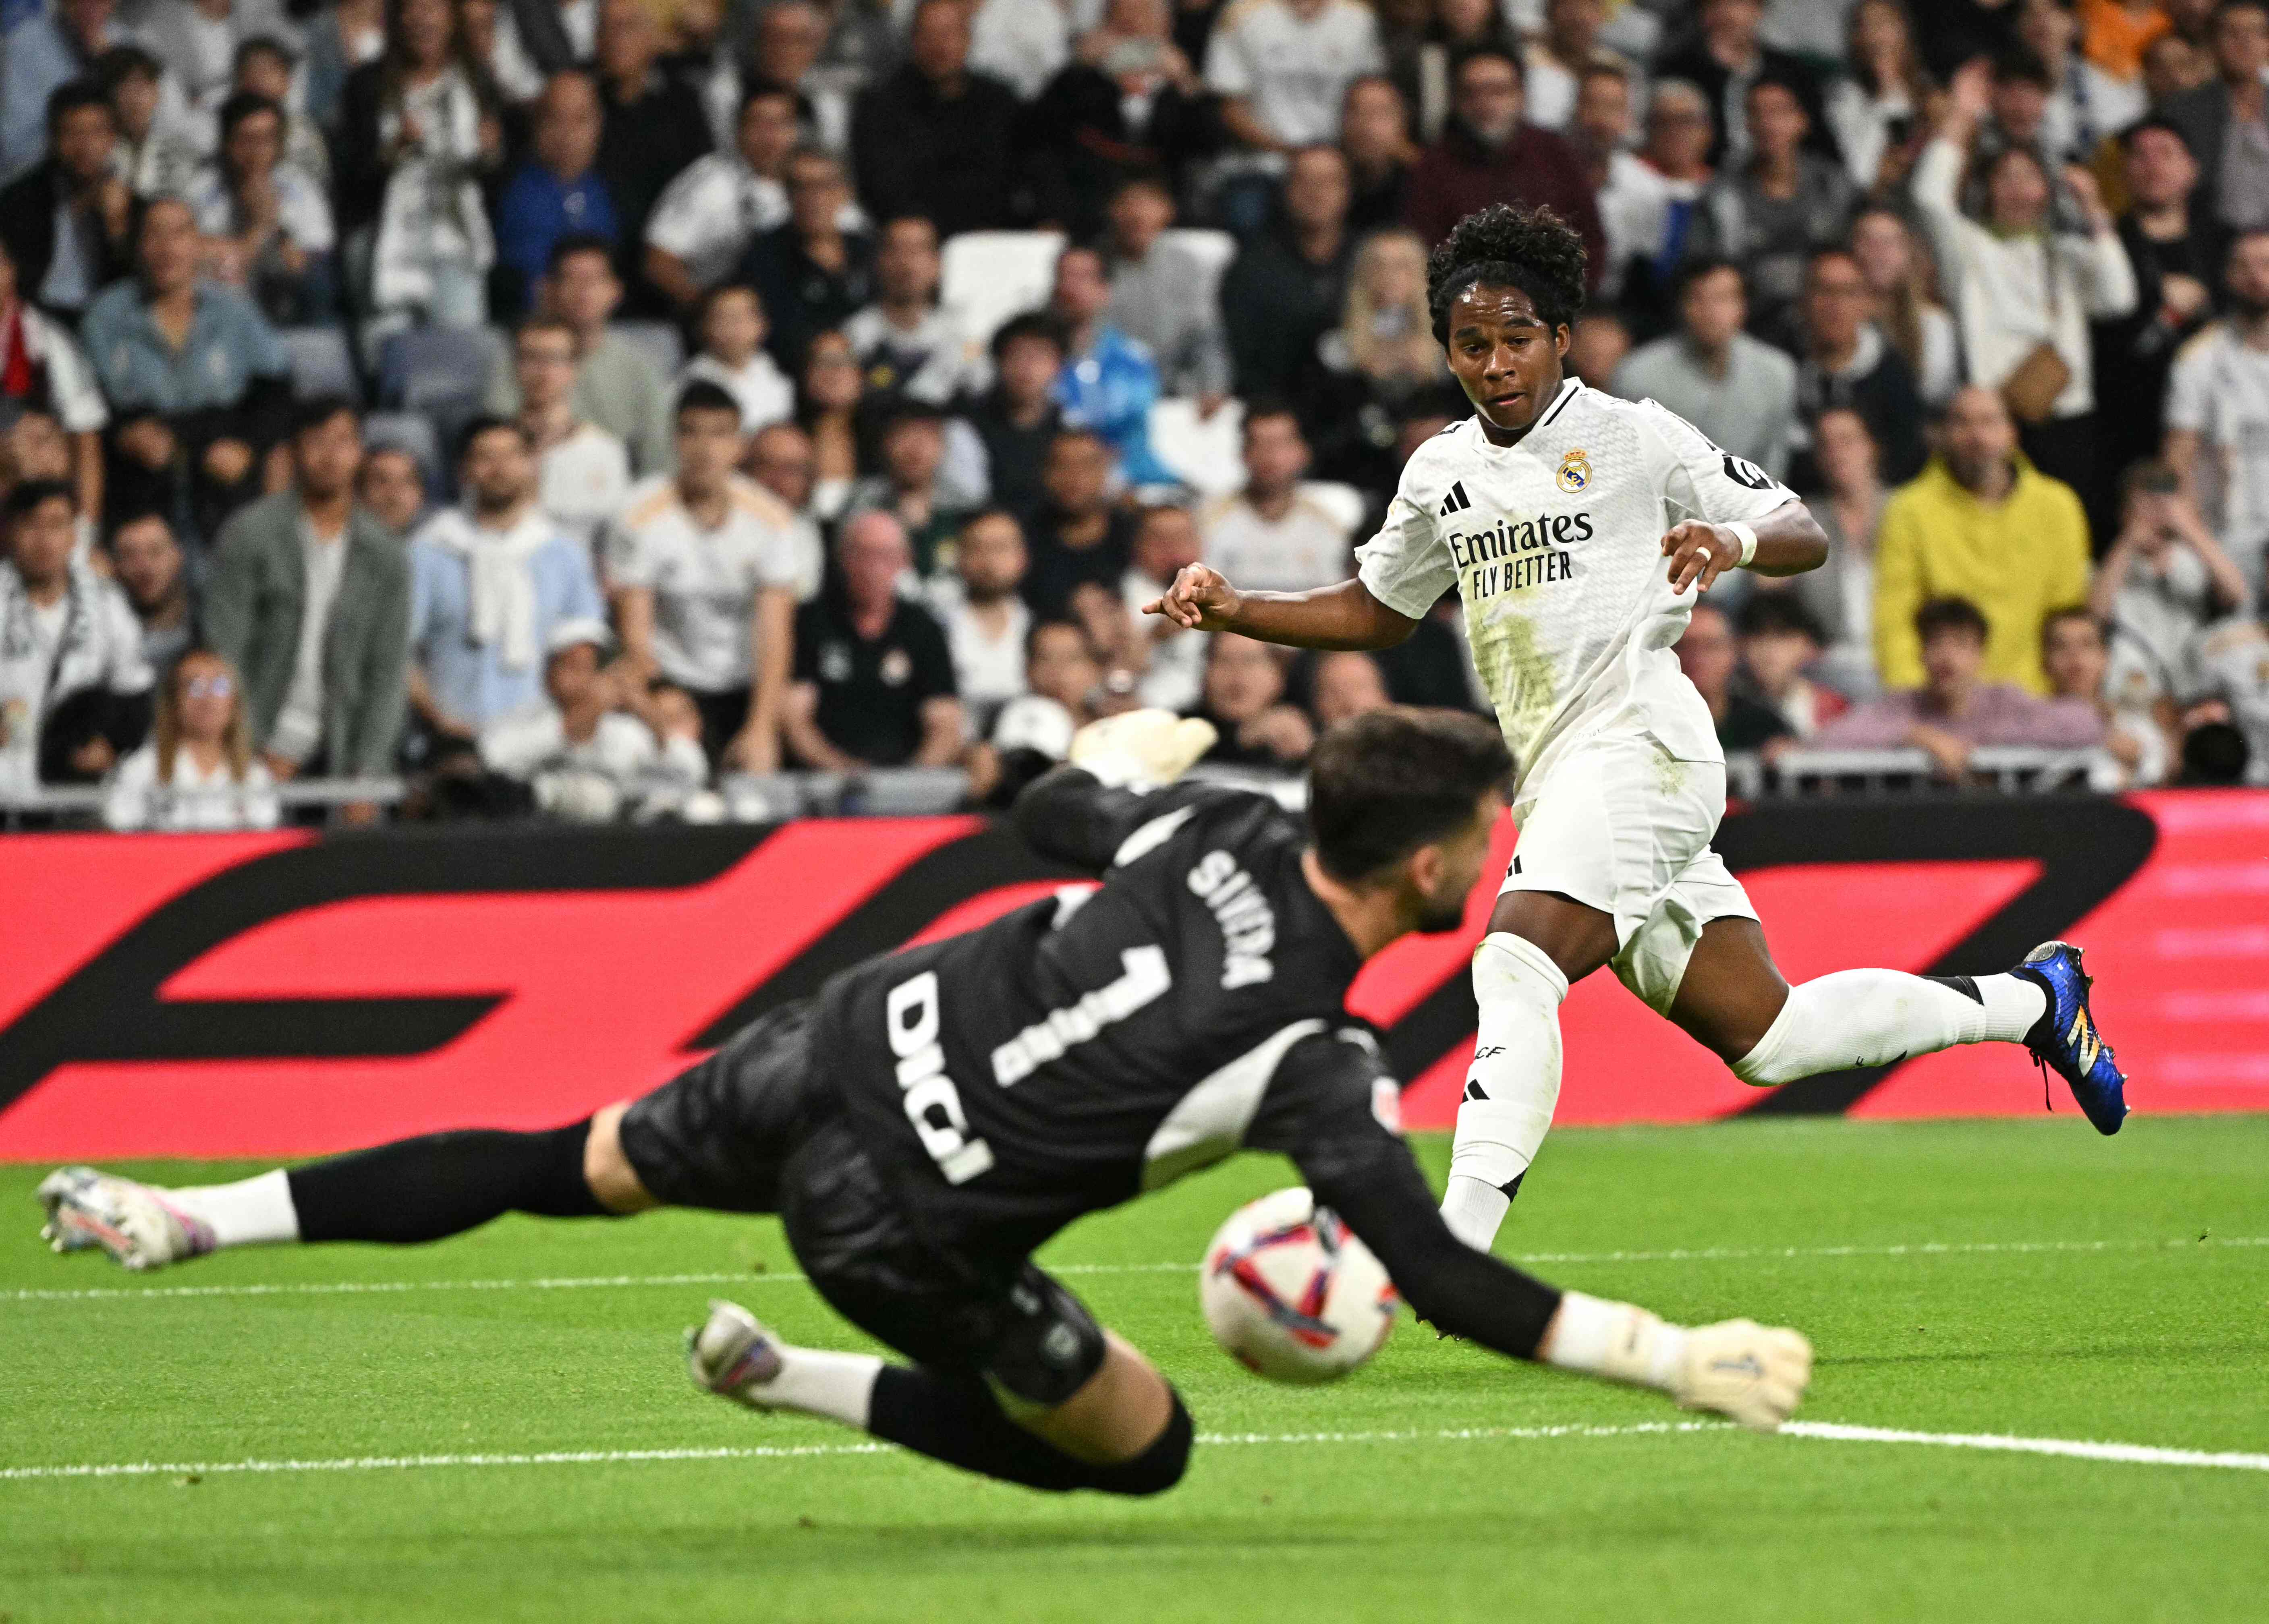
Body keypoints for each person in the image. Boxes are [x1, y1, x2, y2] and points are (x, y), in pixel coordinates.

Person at [36, 709, 1818, 1495]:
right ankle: (792, 1372)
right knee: (1143, 1448)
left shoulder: (1217, 828)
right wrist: (1674, 1353)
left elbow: (1048, 815)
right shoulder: (1318, 1063)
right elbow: (1443, 1276)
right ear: (1432, 872)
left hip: (835, 1037)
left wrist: (1125, 748)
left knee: (547, 1164)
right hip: (891, 1218)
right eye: (1480, 848)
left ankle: (202, 1211)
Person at [1147, 203, 2132, 1262]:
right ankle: (2033, 1000)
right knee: (1769, 1034)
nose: (1495, 363)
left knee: (1517, 961)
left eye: (1516, 338)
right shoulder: (1440, 472)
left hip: (1644, 744)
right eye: (1471, 345)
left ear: (1561, 337)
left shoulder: (1634, 432)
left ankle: (1446, 1251)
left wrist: (1732, 538)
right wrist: (1234, 604)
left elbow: (1801, 531)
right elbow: (1377, 610)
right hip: (1559, 771)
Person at [1911, 61, 2136, 522]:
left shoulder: (2067, 252)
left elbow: (2118, 300)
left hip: (2068, 417)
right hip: (1993, 420)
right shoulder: (1970, 250)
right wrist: (1961, 116)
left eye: (2028, 178)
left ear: (2046, 191)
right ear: (1987, 190)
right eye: (2004, 178)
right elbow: (1929, 197)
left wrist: (2094, 211)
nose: (2016, 189)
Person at [204, 399, 411, 786]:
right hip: (256, 738)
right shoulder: (250, 534)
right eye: (317, 441)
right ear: (292, 452)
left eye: (344, 442)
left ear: (360, 453)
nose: (331, 456)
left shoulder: (385, 554)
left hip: (342, 744)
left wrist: (369, 771)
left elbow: (388, 671)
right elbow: (223, 651)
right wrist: (249, 749)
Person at [606, 382, 802, 771]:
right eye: (691, 431)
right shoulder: (638, 516)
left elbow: (775, 634)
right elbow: (636, 638)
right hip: (672, 680)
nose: (705, 448)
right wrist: (659, 717)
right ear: (676, 439)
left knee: (759, 771)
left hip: (746, 685)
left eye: (719, 433)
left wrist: (761, 728)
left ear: (739, 445)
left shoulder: (772, 520)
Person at [81, 195, 292, 542]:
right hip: (142, 476)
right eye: (154, 235)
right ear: (137, 246)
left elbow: (277, 392)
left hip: (221, 468)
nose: (168, 248)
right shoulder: (105, 317)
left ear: (199, 245)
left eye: (180, 234)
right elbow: (87, 403)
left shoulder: (234, 311)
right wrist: (121, 433)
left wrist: (248, 445)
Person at [1875, 386, 2093, 694]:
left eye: (1989, 422)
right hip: (1943, 703)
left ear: (2012, 433)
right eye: (1962, 423)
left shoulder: (2058, 507)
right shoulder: (1908, 510)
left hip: (2036, 702)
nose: (1977, 437)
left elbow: (2068, 617)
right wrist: (1913, 703)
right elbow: (1896, 622)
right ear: (1943, 436)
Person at [409, 416, 605, 750]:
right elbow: (398, 653)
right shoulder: (428, 551)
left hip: (539, 742)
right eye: (485, 457)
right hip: (444, 738)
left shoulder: (563, 554)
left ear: (531, 465)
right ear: (464, 470)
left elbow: (580, 656)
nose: (500, 468)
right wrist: (441, 723)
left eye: (512, 456)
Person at [335, 0, 503, 343]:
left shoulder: (478, 82)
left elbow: (495, 178)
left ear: (453, 19)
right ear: (396, 20)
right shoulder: (366, 85)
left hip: (455, 245)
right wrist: (391, 153)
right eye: (412, 9)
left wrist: (490, 156)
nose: (423, 19)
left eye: (434, 9)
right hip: (381, 244)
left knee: (459, 358)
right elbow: (346, 177)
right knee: (389, 363)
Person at [1815, 595, 2106, 774]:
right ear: (1922, 655)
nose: (1948, 657)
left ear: (1980, 656)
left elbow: (2084, 724)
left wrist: (1980, 743)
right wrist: (1916, 735)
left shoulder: (2003, 701)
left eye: (1961, 645)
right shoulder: (1904, 706)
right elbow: (1828, 741)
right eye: (1937, 644)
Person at [1400, 47, 1606, 282]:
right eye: (1471, 93)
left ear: (1521, 97)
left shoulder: (1554, 153)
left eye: (1498, 92)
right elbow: (1423, 254)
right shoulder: (1434, 166)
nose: (1485, 103)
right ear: (1456, 101)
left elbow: (1590, 240)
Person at [0, 479, 153, 793]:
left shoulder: (106, 603)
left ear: (74, 535)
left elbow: (135, 695)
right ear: (9, 533)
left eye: (56, 525)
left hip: (76, 790)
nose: (44, 540)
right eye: (30, 525)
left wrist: (111, 744)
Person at [783, 511, 964, 771]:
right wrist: (845, 772)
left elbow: (945, 723)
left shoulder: (923, 628)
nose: (874, 568)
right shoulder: (812, 621)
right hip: (827, 776)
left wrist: (907, 781)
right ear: (843, 558)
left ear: (905, 561)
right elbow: (795, 719)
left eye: (886, 556)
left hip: (906, 778)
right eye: (863, 554)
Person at [478, 618, 706, 820]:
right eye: (574, 665)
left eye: (595, 666)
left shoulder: (622, 730)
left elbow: (692, 770)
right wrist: (573, 725)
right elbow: (491, 759)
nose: (585, 677)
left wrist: (651, 718)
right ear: (548, 672)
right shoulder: (523, 720)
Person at [1687, 75, 1858, 343]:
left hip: (1826, 323)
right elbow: (1703, 275)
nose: (1768, 124)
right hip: (1747, 330)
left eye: (1779, 111)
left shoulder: (1832, 186)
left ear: (1802, 121)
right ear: (1747, 123)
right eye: (1756, 112)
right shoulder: (1722, 195)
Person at [483, 235, 672, 477]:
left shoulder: (640, 368)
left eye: (594, 280)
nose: (583, 291)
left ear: (616, 290)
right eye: (571, 279)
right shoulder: (515, 359)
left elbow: (658, 460)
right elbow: (494, 443)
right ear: (548, 289)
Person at [2099, 119, 2223, 477]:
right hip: (2130, 426)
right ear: (2124, 172)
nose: (2153, 165)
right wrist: (2164, 310)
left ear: (2192, 170)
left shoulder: (2223, 245)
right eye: (2140, 155)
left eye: (2166, 154)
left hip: (2218, 423)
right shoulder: (2107, 245)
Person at [1024, 0, 1209, 238]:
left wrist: (1186, 81)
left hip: (1171, 207)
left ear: (1167, 25)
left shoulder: (1181, 91)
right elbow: (1040, 140)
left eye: (1145, 17)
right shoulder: (1079, 84)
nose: (1134, 26)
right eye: (1122, 19)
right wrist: (1079, 67)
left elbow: (1206, 144)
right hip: (1090, 209)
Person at [850, 0, 1023, 239]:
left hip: (991, 238)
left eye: (949, 34)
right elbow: (883, 189)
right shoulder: (881, 106)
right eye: (929, 35)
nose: (940, 46)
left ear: (968, 38)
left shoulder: (1000, 103)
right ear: (913, 40)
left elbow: (1013, 178)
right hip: (914, 241)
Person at [1613, 259, 1798, 483]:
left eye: (1723, 299)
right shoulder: (1638, 374)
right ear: (1680, 306)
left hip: (1755, 506)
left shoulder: (1776, 372)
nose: (1711, 312)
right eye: (1698, 299)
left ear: (1744, 307)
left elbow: (1774, 464)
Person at [589, 0, 714, 312]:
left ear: (652, 39)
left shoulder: (682, 104)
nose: (615, 39)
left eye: (626, 28)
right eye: (606, 27)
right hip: (599, 260)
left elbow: (701, 182)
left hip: (665, 261)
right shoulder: (583, 99)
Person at [2164, 228, 2269, 595]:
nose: (2257, 277)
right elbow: (2178, 465)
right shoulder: (2199, 358)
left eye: (2266, 265)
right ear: (2227, 276)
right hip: (2225, 542)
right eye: (2244, 266)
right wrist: (2204, 548)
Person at [2088, 459, 2250, 690]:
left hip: (2191, 685)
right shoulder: (2114, 563)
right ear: (2124, 511)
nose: (2155, 514)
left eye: (2162, 505)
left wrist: (2191, 529)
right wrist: (2128, 542)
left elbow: (2237, 594)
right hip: (2130, 687)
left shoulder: (2195, 561)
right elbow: (2095, 615)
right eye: (2144, 504)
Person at [643, 85, 799, 313]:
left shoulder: (812, 179)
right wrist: (712, 312)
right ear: (738, 130)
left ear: (795, 131)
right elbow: (658, 263)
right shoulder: (711, 181)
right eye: (759, 123)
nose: (770, 135)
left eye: (780, 124)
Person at [1219, 146, 1357, 403]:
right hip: (1277, 410)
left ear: (1347, 192)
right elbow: (1243, 358)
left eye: (1328, 182)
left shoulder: (1369, 258)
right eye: (1304, 181)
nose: (1316, 193)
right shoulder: (1252, 266)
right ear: (1286, 191)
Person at [0, 82, 136, 327]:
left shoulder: (130, 203)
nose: (85, 146)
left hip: (104, 325)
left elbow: (137, 291)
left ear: (112, 138)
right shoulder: (20, 200)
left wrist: (119, 229)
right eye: (73, 132)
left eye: (95, 132)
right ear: (54, 138)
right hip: (36, 323)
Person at [102, 647, 280, 830]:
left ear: (234, 702)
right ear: (173, 702)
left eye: (220, 687)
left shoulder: (255, 775)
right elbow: (117, 832)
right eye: (195, 687)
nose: (208, 700)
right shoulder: (142, 768)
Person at [1046, 244, 1177, 488]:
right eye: (1064, 277)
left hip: (1129, 479)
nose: (1071, 288)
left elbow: (1130, 427)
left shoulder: (1134, 360)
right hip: (1056, 480)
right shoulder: (1037, 356)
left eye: (1084, 278)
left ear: (1104, 290)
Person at [1792, 248, 1927, 485]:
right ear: (1805, 301)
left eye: (1848, 293)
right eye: (1825, 291)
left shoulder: (1894, 376)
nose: (1835, 305)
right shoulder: (1784, 366)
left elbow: (1907, 460)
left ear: (1866, 303)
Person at [738, 146, 875, 373]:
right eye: (800, 187)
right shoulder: (763, 257)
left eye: (824, 186)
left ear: (845, 192)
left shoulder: (869, 250)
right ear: (787, 194)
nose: (813, 198)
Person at [0, 238, 108, 524]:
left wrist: (85, 533)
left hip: (39, 496)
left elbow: (85, 438)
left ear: (11, 271)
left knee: (42, 448)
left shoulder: (49, 341)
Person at [492, 70, 617, 318]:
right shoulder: (510, 193)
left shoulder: (610, 193)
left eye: (580, 119)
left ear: (598, 125)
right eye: (556, 118)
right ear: (536, 125)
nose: (567, 132)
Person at [1656, 0, 1830, 171]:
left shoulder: (1790, 72)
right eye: (1715, 4)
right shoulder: (1678, 71)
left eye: (1737, 3)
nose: (1727, 14)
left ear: (1758, 10)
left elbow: (1822, 144)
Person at [1197, 408, 1352, 594]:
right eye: (1260, 444)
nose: (1271, 457)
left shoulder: (1329, 525)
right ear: (1243, 453)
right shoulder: (1207, 522)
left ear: (1304, 452)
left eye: (1281, 444)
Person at [512, 313, 631, 551]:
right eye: (531, 358)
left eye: (554, 359)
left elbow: (616, 540)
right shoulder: (491, 446)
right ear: (516, 367)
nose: (542, 370)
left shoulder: (605, 450)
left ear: (574, 369)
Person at [841, 216, 983, 408]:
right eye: (896, 250)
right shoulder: (855, 335)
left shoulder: (965, 338)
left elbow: (983, 392)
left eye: (918, 250)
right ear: (878, 262)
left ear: (938, 265)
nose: (906, 263)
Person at [2160, 0, 2269, 235]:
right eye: (2232, 33)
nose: (2245, 43)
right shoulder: (2183, 111)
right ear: (2213, 43)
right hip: (2209, 241)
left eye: (2255, 33)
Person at [2039, 606, 2175, 786]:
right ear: (2044, 661)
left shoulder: (2135, 725)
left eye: (2086, 644)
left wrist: (2137, 759)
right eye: (2061, 646)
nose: (2074, 656)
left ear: (2105, 657)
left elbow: (2159, 773)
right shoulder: (2026, 725)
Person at [925, 508, 1033, 731]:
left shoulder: (1039, 625)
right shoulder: (934, 624)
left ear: (1022, 557)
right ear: (959, 557)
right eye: (977, 548)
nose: (988, 561)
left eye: (1000, 548)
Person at [1849, 206, 1961, 408]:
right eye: (1868, 240)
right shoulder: (1838, 318)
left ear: (1908, 253)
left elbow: (1938, 395)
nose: (1879, 252)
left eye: (1889, 243)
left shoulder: (1935, 324)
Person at [1021, 429, 1137, 621]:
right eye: (1062, 466)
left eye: (1086, 465)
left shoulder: (1134, 534)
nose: (1073, 477)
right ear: (1044, 473)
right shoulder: (1024, 538)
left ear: (1105, 471)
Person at [963, 314, 1066, 517]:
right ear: (998, 361)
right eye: (1017, 354)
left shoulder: (1069, 429)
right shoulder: (966, 426)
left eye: (1040, 356)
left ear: (1059, 366)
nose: (1027, 367)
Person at [1826, 0, 1931, 197]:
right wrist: (1885, 90)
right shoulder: (1844, 97)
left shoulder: (1930, 93)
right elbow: (1862, 177)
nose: (1874, 35)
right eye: (1864, 26)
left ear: (1904, 31)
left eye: (1882, 23)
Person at [677, 284, 796, 435]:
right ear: (704, 326)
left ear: (762, 324)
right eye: (723, 317)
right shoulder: (690, 382)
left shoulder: (777, 372)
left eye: (743, 316)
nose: (735, 326)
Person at [1675, 600, 1793, 753]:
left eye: (1711, 646)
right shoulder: (1646, 723)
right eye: (1685, 646)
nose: (1698, 658)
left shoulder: (1765, 728)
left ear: (1733, 652)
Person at [1120, 503, 1206, 712]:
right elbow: (1115, 677)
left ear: (1199, 544)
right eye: (1159, 539)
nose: (1172, 549)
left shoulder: (1221, 590)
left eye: (1181, 538)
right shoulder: (1114, 599)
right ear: (1138, 546)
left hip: (1210, 709)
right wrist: (1155, 637)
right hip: (1139, 711)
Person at [1734, 593, 1848, 739]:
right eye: (1757, 637)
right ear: (1740, 646)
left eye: (1781, 637)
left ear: (1808, 645)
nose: (1768, 650)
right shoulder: (1724, 708)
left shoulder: (1836, 709)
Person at [1191, 633, 1314, 768]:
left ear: (1279, 672)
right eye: (1224, 660)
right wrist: (1241, 738)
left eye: (1250, 661)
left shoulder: (1306, 724)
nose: (1237, 675)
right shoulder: (1178, 727)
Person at [744, 420, 828, 600]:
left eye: (792, 469)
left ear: (810, 477)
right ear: (746, 470)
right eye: (767, 466)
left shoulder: (829, 538)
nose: (778, 479)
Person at [109, 509, 196, 671]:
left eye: (155, 552)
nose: (144, 567)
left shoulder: (206, 622)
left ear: (178, 556)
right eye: (130, 555)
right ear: (114, 567)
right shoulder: (105, 634)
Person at [1340, 75, 1417, 233]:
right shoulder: (1329, 179)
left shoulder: (1429, 181)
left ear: (1403, 121)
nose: (1367, 124)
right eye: (1357, 112)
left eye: (1381, 113)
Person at [359, 443, 428, 541]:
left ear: (421, 494)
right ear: (360, 490)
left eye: (405, 481)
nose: (393, 495)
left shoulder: (438, 551)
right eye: (382, 481)